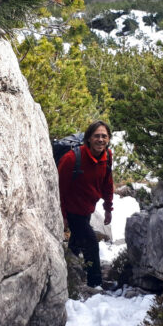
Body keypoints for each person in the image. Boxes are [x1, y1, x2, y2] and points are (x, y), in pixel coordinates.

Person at [58, 120, 114, 289]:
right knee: (91, 243)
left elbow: (107, 183)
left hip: (87, 207)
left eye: (104, 136)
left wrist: (108, 208)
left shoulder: (107, 156)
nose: (100, 139)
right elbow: (58, 189)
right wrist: (63, 216)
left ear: (109, 139)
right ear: (88, 138)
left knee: (76, 242)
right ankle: (95, 284)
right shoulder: (71, 159)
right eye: (96, 136)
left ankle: (72, 271)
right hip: (72, 210)